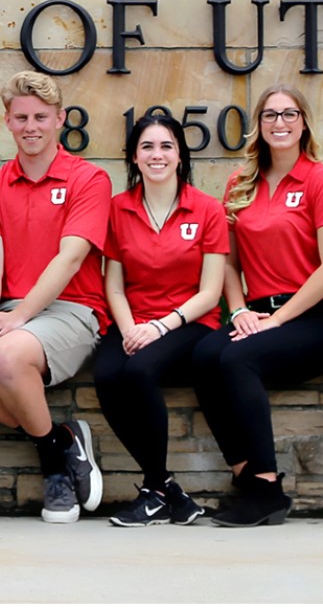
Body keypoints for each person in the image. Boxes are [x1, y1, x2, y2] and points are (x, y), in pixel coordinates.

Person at [0, 71, 109, 524]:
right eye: (21, 118)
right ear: (7, 122)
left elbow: (71, 258)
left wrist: (19, 317)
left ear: (60, 119)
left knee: (4, 358)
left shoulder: (89, 179)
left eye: (41, 116)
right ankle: (58, 441)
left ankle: (53, 469)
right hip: (9, 311)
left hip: (72, 308)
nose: (31, 126)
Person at [192, 85, 323, 527]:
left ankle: (267, 490)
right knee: (204, 355)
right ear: (258, 125)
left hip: (315, 318)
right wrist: (240, 311)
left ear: (304, 123)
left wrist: (278, 319)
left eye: (289, 114)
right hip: (259, 312)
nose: (279, 123)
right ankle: (244, 474)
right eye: (269, 115)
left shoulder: (322, 181)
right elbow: (226, 261)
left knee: (239, 359)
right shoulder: (240, 183)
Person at [94, 112, 227, 527]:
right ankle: (166, 489)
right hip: (133, 320)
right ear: (134, 157)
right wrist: (132, 326)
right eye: (147, 147)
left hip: (190, 323)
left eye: (166, 146)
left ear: (180, 156)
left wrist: (160, 326)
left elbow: (211, 292)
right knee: (106, 373)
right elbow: (113, 285)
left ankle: (152, 493)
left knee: (140, 372)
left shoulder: (206, 209)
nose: (157, 155)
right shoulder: (118, 209)